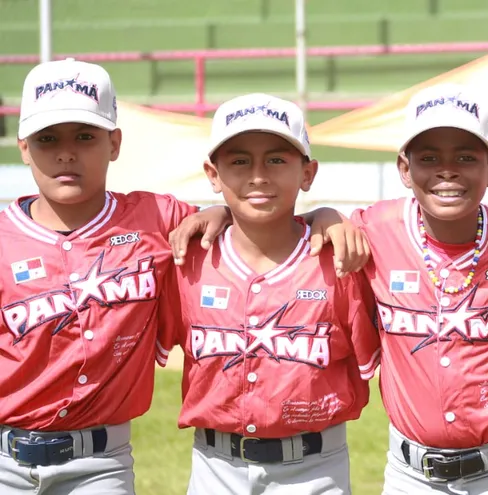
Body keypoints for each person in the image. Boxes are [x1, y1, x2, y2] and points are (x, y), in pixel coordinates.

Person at [0, 58, 364, 495]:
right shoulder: (9, 236)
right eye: (47, 138)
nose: (66, 152)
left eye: (84, 135)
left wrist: (323, 216)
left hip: (102, 465)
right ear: (23, 147)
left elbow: (255, 215)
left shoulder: (158, 219)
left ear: (114, 142)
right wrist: (225, 210)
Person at [167, 93, 380, 495]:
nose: (258, 176)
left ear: (308, 173)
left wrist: (329, 215)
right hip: (215, 469)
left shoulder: (342, 262)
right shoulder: (187, 260)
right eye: (239, 161)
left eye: (277, 160)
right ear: (213, 174)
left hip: (316, 470)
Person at [350, 83, 488, 494]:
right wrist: (223, 215)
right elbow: (287, 230)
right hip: (411, 478)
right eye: (428, 158)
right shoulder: (371, 231)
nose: (447, 171)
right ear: (404, 169)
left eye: (465, 157)